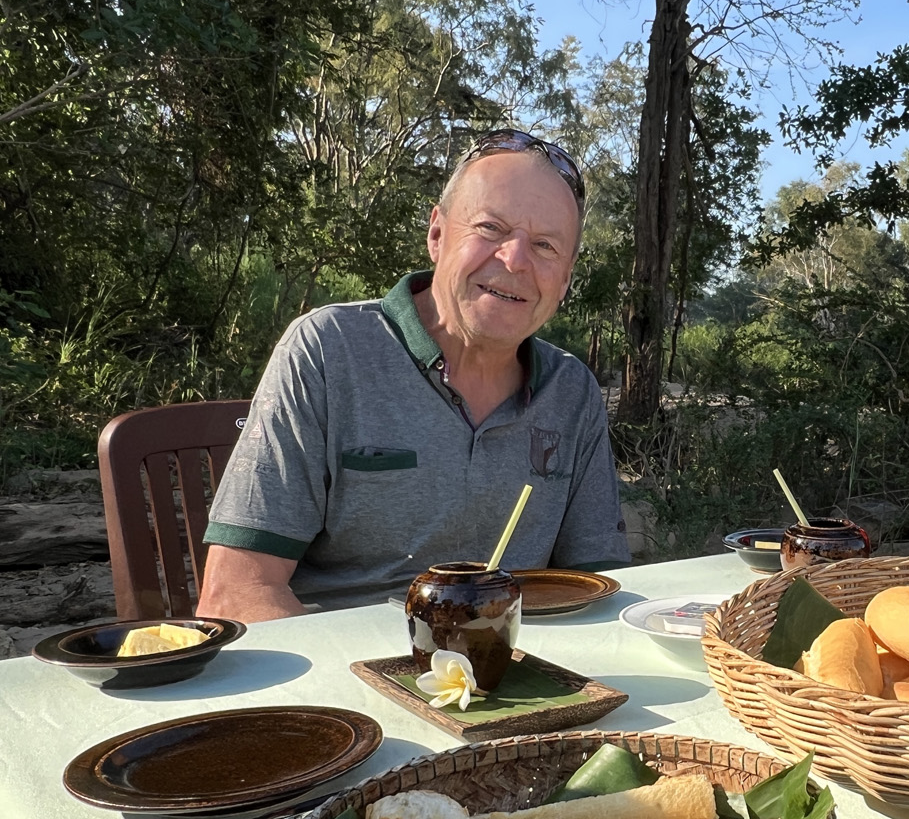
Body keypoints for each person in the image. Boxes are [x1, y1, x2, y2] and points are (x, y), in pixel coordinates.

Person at [198, 130, 630, 621]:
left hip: (513, 660)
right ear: (437, 235)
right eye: (490, 228)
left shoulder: (571, 392)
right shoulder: (328, 351)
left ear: (566, 279)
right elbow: (237, 592)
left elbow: (602, 593)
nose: (514, 259)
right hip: (344, 663)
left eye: (545, 245)